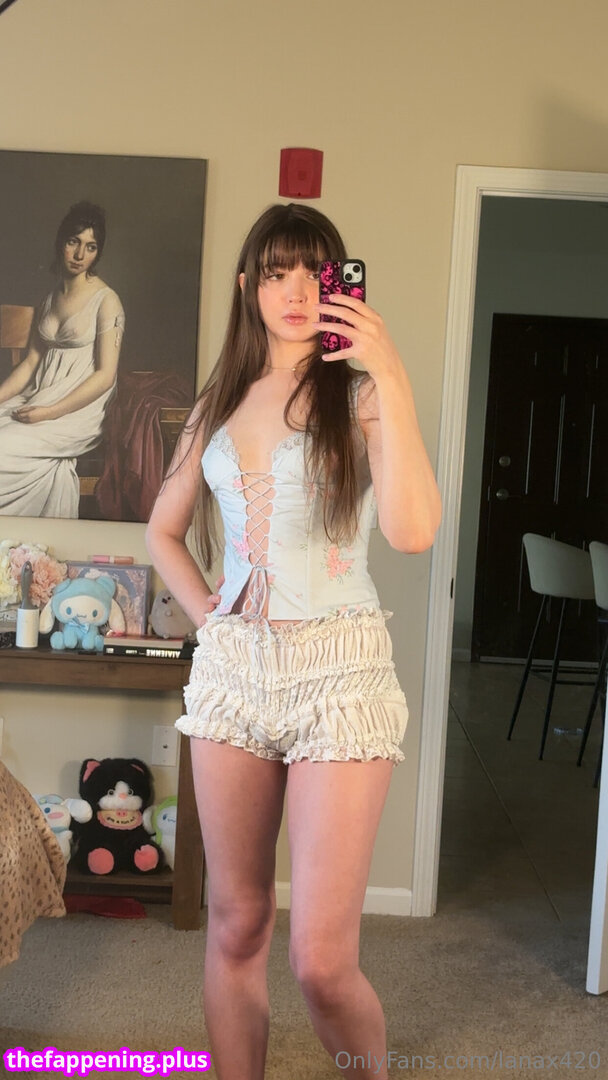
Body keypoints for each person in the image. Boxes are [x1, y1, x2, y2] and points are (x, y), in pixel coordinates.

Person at [145, 203, 441, 1080]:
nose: (297, 289)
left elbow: (414, 532)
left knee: (320, 959)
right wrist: (211, 618)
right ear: (249, 286)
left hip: (340, 673)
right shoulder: (216, 405)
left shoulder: (361, 396)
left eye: (316, 271)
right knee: (236, 923)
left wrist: (390, 371)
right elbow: (162, 530)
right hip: (235, 675)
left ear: (342, 285)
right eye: (277, 272)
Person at [0, 201, 125, 517]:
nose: (80, 255)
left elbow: (106, 376)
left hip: (77, 410)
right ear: (61, 242)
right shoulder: (49, 298)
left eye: (91, 247)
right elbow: (30, 363)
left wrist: (49, 412)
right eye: (74, 242)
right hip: (38, 395)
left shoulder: (106, 300)